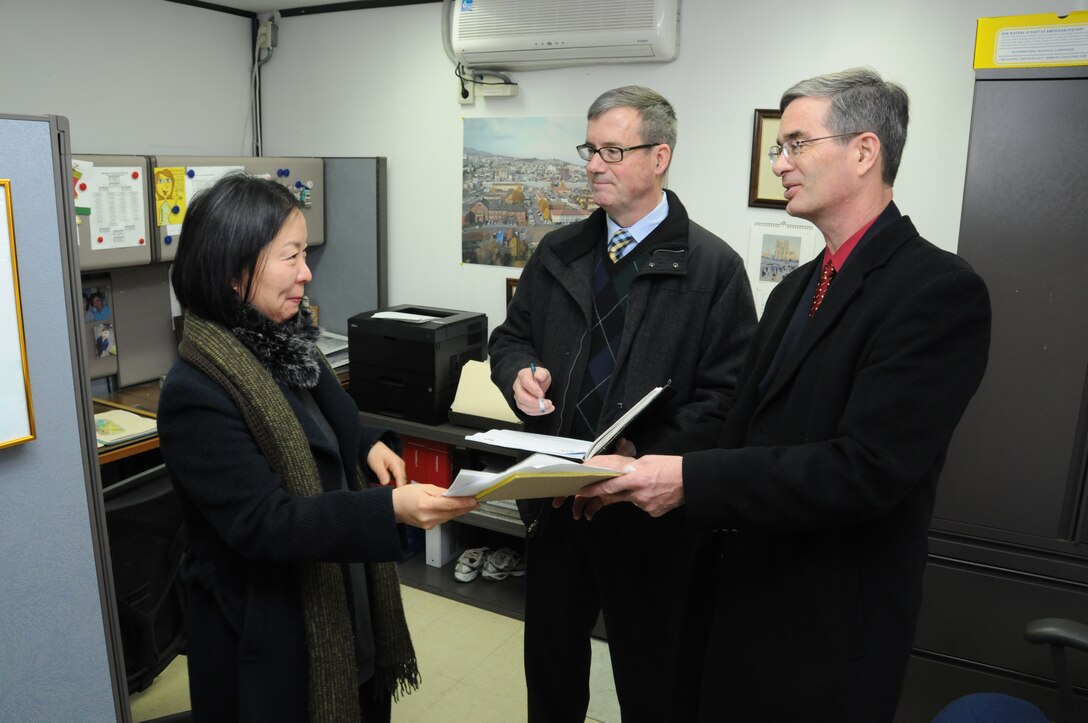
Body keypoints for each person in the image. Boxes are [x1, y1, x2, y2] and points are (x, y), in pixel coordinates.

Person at [580, 68, 993, 722]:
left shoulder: (936, 293)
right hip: (737, 603)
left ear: (863, 151)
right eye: (780, 146)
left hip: (824, 634)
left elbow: (864, 469)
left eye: (796, 144)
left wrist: (686, 478)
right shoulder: (795, 289)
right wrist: (636, 461)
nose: (778, 162)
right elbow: (738, 423)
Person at [157, 173, 478, 722]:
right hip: (267, 631)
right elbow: (266, 523)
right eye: (292, 256)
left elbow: (334, 423)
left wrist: (370, 445)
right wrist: (390, 508)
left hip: (339, 595)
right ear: (235, 271)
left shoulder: (286, 344)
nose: (307, 272)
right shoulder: (195, 392)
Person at [488, 85, 756, 722]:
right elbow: (510, 337)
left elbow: (730, 399)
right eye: (590, 148)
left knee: (654, 683)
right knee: (551, 675)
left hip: (649, 518)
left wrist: (647, 449)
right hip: (557, 504)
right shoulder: (559, 251)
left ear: (659, 156)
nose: (593, 166)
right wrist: (518, 372)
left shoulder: (714, 269)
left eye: (613, 150)